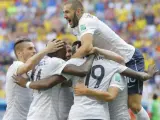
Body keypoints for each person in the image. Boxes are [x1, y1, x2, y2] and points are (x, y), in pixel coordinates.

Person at [13, 41, 156, 120]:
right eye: (69, 51)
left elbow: (52, 81)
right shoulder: (69, 66)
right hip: (72, 115)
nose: (71, 54)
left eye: (72, 51)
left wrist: (26, 82)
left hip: (70, 115)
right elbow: (51, 81)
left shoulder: (67, 66)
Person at [63, 1, 151, 119]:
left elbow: (87, 47)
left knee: (133, 105)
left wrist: (69, 64)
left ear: (78, 11)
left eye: (67, 12)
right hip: (112, 62)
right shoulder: (75, 26)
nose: (64, 15)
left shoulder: (85, 21)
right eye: (63, 12)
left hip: (129, 58)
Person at [15, 40, 95, 120]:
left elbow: (57, 80)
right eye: (65, 50)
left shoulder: (39, 63)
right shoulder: (57, 62)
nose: (67, 54)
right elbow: (83, 70)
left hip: (33, 113)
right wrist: (92, 55)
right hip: (46, 114)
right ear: (58, 50)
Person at [3, 37, 64, 120]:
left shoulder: (33, 70)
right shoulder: (15, 66)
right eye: (30, 48)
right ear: (19, 53)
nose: (34, 51)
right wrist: (46, 49)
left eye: (34, 48)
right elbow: (27, 66)